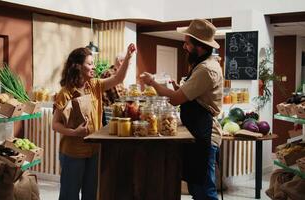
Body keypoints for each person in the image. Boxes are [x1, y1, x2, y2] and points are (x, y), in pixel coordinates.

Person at [140, 19, 223, 200]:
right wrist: (178, 87)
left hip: (206, 134)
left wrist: (152, 82)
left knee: (205, 191)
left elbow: (176, 99)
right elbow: (190, 94)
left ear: (199, 46)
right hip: (197, 132)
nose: (184, 47)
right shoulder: (200, 65)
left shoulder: (206, 69)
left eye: (187, 43)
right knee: (196, 188)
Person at [52, 44, 136, 200]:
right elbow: (55, 124)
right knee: (69, 196)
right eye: (90, 63)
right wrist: (74, 132)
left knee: (91, 195)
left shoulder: (95, 85)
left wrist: (128, 57)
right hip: (73, 152)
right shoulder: (65, 92)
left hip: (94, 151)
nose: (94, 66)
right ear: (77, 66)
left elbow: (118, 78)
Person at [100, 53, 128, 125]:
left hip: (111, 113)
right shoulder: (110, 73)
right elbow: (118, 97)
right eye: (127, 64)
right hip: (108, 114)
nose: (128, 68)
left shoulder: (113, 73)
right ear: (120, 61)